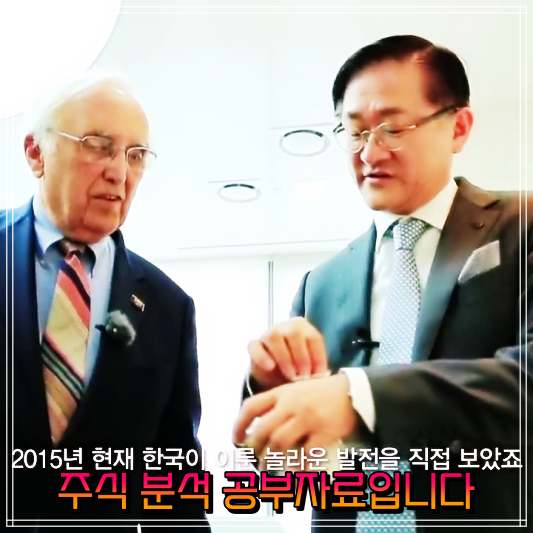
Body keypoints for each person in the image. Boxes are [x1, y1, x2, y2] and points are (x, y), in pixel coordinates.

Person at [234, 35, 530, 531]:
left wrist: (359, 398)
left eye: (392, 128)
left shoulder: (521, 227)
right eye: (354, 132)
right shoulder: (321, 284)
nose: (370, 152)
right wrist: (269, 389)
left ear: (458, 127)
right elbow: (281, 472)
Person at [0, 75, 209, 529]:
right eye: (98, 146)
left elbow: (175, 481)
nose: (119, 172)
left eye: (136, 155)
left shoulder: (169, 307)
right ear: (35, 152)